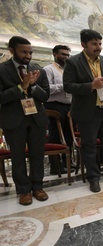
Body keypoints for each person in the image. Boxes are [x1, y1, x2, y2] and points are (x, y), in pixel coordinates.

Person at [63, 29, 103, 193]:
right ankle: (93, 178)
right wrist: (91, 86)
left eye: (99, 43)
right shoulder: (73, 62)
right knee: (89, 146)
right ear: (83, 44)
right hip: (87, 112)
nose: (98, 47)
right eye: (94, 44)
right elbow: (68, 86)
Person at [0, 36, 50, 205]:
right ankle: (23, 190)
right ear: (12, 50)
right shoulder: (2, 70)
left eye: (30, 52)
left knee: (37, 155)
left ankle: (37, 187)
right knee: (18, 156)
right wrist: (21, 87)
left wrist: (33, 86)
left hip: (36, 118)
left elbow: (46, 95)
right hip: (14, 120)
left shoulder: (37, 69)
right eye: (23, 52)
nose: (28, 55)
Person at [43, 45, 72, 175]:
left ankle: (68, 162)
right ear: (55, 54)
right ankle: (55, 166)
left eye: (67, 55)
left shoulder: (69, 70)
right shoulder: (48, 69)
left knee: (68, 136)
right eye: (63, 54)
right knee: (55, 136)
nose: (65, 57)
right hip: (54, 106)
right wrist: (64, 86)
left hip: (69, 106)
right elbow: (47, 89)